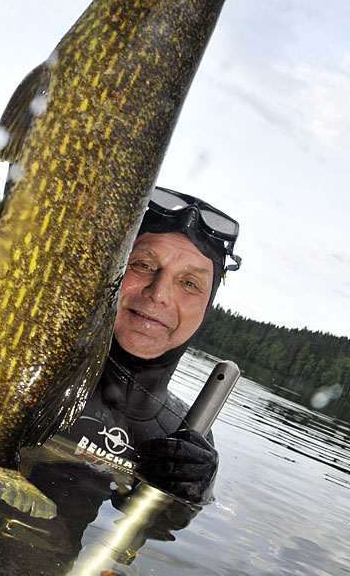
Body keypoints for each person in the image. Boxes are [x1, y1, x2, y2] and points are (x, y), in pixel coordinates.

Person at [54, 185, 242, 506]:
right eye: (143, 265)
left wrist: (194, 498)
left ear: (206, 308)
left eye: (188, 283)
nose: (158, 294)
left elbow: (167, 532)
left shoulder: (186, 433)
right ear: (113, 268)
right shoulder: (34, 365)